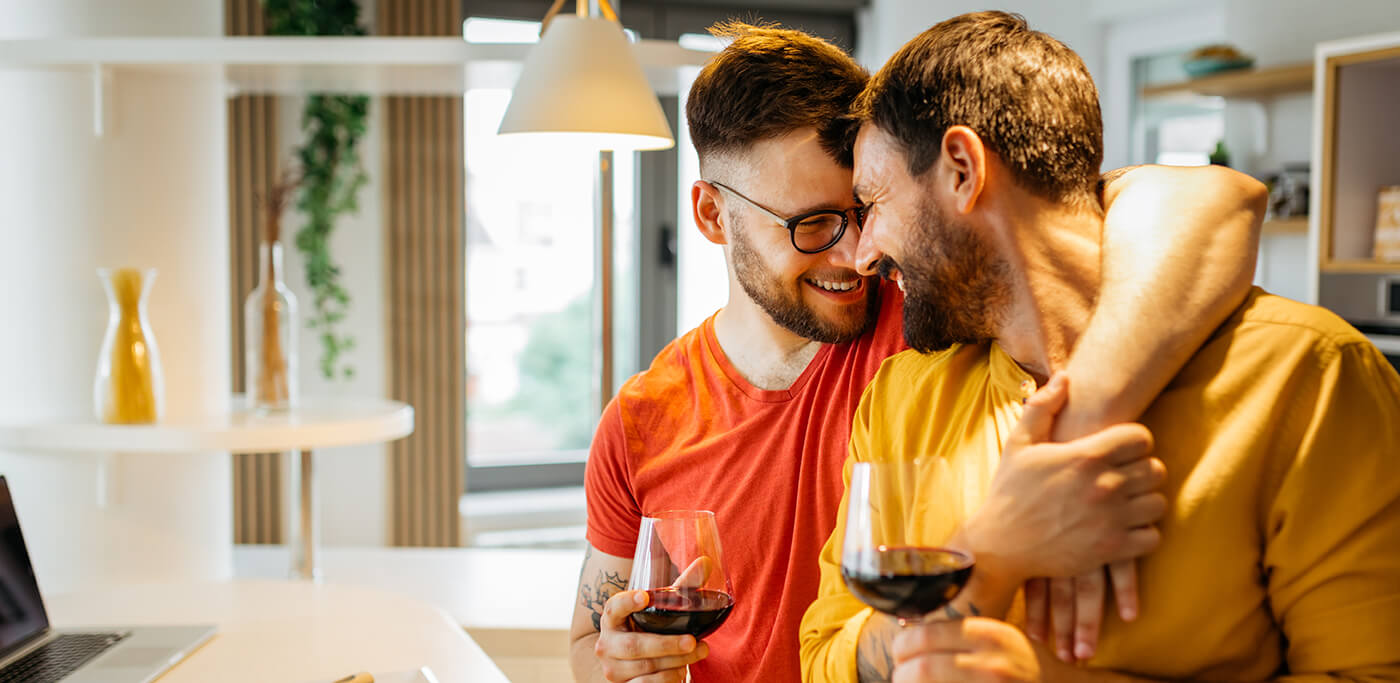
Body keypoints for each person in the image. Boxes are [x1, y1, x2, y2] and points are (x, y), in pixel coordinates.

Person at [572, 21, 1269, 683]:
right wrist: (621, 658)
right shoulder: (640, 420)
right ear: (711, 215)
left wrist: (1087, 414)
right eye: (813, 224)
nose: (857, 254)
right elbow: (585, 644)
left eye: (864, 209)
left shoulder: (934, 315)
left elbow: (1212, 200)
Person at [801, 11, 1400, 682]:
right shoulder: (902, 398)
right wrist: (987, 553)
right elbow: (823, 655)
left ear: (964, 169)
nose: (862, 252)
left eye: (873, 202)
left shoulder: (1309, 375)